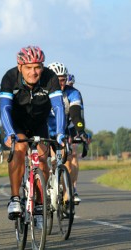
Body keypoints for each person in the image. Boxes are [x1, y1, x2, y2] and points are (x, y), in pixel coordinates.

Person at [0, 46, 66, 227]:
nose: (33, 72)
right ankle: (14, 198)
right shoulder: (10, 77)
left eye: (37, 67)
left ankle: (38, 204)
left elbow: (58, 107)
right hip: (16, 124)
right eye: (28, 67)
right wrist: (10, 132)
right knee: (19, 148)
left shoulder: (50, 77)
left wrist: (60, 133)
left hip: (39, 124)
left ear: (42, 66)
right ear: (20, 66)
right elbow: (4, 108)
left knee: (43, 160)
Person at [47, 62, 88, 204]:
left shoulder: (73, 93)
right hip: (46, 129)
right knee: (48, 160)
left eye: (63, 79)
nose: (61, 83)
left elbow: (76, 115)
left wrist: (81, 131)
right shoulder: (43, 92)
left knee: (68, 159)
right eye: (57, 80)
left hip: (65, 129)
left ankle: (67, 195)